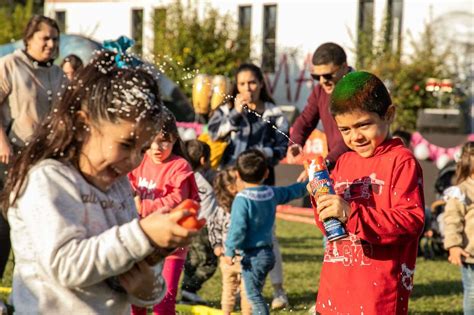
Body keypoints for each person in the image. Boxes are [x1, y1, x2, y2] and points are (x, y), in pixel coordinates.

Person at [0, 51, 196, 314]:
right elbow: (66, 265)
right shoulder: (48, 180)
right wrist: (143, 234)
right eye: (126, 144)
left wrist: (149, 276)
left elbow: (121, 263)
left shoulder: (119, 187)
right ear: (84, 124)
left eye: (142, 149)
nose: (133, 160)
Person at [307, 71, 425, 314]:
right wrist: (320, 200)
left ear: (388, 115)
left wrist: (351, 213)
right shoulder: (344, 162)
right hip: (333, 295)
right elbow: (329, 228)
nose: (355, 137)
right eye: (345, 130)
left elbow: (411, 221)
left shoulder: (402, 162)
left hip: (377, 300)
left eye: (363, 125)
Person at [207, 63, 290, 309]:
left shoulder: (274, 113)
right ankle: (237, 287)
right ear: (236, 86)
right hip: (231, 186)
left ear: (261, 83)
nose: (247, 88)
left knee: (268, 236)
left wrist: (257, 157)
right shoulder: (225, 108)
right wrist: (235, 114)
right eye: (242, 84)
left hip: (261, 185)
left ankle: (278, 291)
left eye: (252, 83)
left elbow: (282, 147)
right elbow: (213, 134)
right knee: (231, 231)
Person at [0, 14, 66, 283]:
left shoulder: (58, 73)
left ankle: (28, 289)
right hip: (9, 156)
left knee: (36, 227)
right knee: (4, 227)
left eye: (55, 39)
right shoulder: (9, 65)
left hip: (41, 161)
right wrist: (1, 141)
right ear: (29, 39)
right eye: (45, 38)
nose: (51, 44)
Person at [128, 108, 200, 315]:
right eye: (151, 141)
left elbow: (178, 200)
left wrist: (143, 205)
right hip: (143, 239)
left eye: (163, 141)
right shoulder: (139, 161)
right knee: (136, 299)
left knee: (164, 301)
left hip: (171, 246)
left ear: (175, 139)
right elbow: (126, 186)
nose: (156, 147)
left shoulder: (180, 166)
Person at [224, 149, 308, 315]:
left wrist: (229, 250)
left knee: (253, 296)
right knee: (256, 292)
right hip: (269, 254)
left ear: (238, 176)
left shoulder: (242, 200)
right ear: (266, 172)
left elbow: (237, 229)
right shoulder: (271, 193)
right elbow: (293, 191)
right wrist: (311, 181)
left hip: (253, 256)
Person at [286, 42, 352, 181]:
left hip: (361, 166)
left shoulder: (358, 90)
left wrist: (323, 165)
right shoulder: (320, 92)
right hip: (336, 167)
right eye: (317, 77)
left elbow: (351, 138)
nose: (322, 81)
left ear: (344, 67)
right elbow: (305, 120)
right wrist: (296, 142)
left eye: (328, 75)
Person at [208, 166, 252, 315]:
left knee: (248, 291)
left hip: (247, 256)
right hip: (227, 257)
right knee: (229, 288)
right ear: (227, 187)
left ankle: (247, 312)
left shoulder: (247, 204)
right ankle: (225, 312)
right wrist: (217, 245)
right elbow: (214, 227)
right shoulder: (221, 209)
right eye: (235, 182)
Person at [180, 139, 218, 305]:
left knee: (191, 262)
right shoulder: (207, 178)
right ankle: (188, 289)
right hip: (204, 228)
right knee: (209, 263)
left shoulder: (183, 176)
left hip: (187, 226)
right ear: (203, 160)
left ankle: (187, 295)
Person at [443, 141, 474, 315]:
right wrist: (454, 245)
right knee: (473, 292)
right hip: (470, 254)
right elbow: (452, 221)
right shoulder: (461, 192)